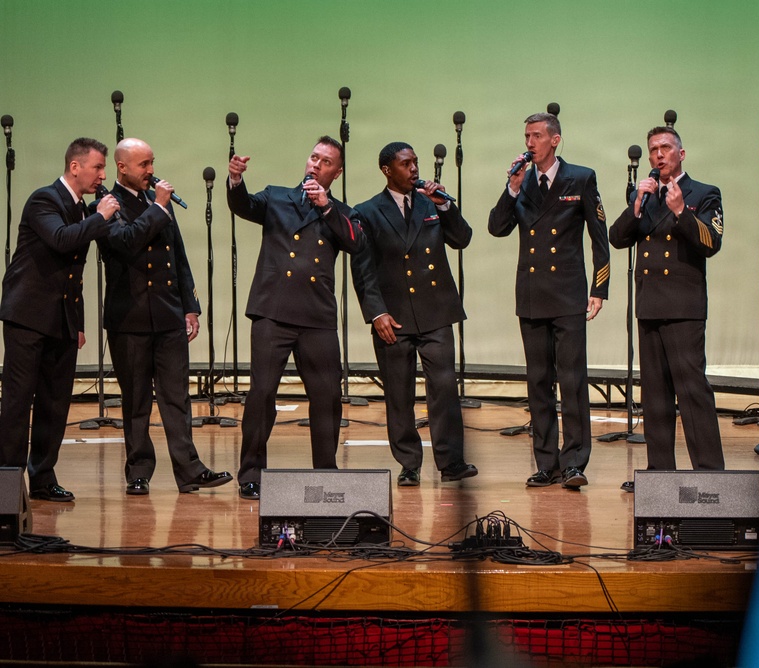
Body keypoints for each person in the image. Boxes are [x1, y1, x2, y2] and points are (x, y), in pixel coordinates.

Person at [228, 136, 366, 500]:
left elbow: (356, 243)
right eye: (313, 157)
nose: (316, 165)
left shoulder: (342, 212)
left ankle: (326, 469)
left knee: (327, 397)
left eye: (325, 161)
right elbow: (244, 206)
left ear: (336, 171)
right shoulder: (277, 197)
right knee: (261, 393)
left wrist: (326, 208)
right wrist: (236, 181)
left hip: (316, 316)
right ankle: (252, 473)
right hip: (273, 312)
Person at [98, 138, 233, 495]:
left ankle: (189, 470)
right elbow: (125, 242)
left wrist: (189, 304)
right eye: (143, 165)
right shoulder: (108, 205)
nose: (151, 171)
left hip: (168, 314)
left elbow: (178, 255)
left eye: (152, 162)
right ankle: (138, 470)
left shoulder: (156, 202)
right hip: (130, 318)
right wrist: (157, 208)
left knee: (177, 397)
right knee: (137, 398)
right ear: (122, 167)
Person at [487, 112, 610, 490]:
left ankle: (574, 462)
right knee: (538, 383)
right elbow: (497, 227)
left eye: (537, 136)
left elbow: (599, 236)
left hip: (569, 294)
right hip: (531, 295)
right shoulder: (521, 183)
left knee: (572, 382)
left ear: (555, 140)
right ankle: (546, 462)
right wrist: (511, 189)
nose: (529, 143)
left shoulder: (581, 178)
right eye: (526, 136)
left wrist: (599, 288)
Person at [350, 142, 478, 487]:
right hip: (394, 316)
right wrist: (376, 313)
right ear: (387, 170)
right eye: (406, 164)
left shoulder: (430, 203)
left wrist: (447, 206)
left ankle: (451, 463)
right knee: (399, 393)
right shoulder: (367, 211)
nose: (414, 169)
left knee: (445, 389)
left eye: (416, 162)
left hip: (435, 311)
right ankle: (409, 463)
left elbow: (462, 238)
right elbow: (363, 269)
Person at [0, 138, 119, 501]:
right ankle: (7, 485)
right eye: (98, 168)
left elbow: (75, 272)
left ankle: (42, 478)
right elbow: (61, 240)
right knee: (19, 402)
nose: (103, 175)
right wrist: (100, 217)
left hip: (62, 319)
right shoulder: (45, 199)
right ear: (75, 167)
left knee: (55, 402)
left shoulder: (82, 208)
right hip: (28, 315)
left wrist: (78, 322)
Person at [609, 127, 725, 492]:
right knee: (655, 395)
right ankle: (659, 474)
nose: (659, 155)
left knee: (692, 392)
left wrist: (681, 213)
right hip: (649, 305)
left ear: (681, 153)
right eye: (653, 150)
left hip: (683, 307)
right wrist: (636, 205)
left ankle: (710, 474)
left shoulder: (703, 193)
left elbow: (712, 241)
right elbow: (617, 237)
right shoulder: (642, 193)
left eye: (666, 148)